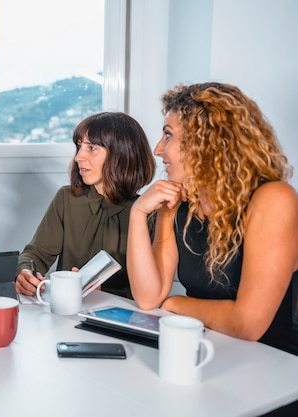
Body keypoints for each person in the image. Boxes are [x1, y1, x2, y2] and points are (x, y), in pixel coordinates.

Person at [127, 82, 298, 356]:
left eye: (168, 135)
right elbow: (148, 298)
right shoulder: (176, 203)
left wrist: (174, 304)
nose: (159, 149)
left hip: (270, 364)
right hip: (205, 350)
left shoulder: (274, 198)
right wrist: (137, 214)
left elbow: (248, 324)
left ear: (206, 141)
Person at [15, 112, 156, 299]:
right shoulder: (66, 198)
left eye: (91, 148)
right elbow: (37, 253)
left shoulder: (149, 214)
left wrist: (103, 293)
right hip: (67, 315)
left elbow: (151, 291)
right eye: (79, 146)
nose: (78, 157)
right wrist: (25, 272)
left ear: (122, 153)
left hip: (121, 319)